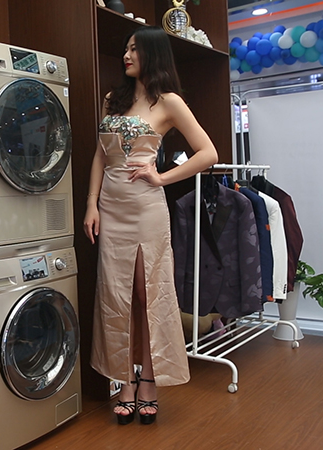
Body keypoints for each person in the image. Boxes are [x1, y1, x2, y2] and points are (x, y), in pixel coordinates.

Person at [83, 26, 218, 425]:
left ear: (153, 55)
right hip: (111, 210)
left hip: (146, 210)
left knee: (146, 296)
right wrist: (91, 204)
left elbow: (208, 153)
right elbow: (99, 155)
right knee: (115, 296)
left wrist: (161, 178)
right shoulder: (114, 99)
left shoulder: (169, 102)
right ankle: (124, 380)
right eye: (125, 48)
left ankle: (149, 381)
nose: (127, 55)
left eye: (135, 49)